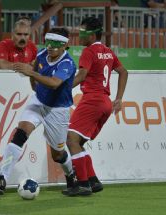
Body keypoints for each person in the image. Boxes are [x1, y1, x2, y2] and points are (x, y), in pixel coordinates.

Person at [0, 27, 77, 195]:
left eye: (55, 44)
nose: (50, 47)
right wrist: (34, 87)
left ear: (65, 45)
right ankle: (2, 178)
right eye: (48, 42)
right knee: (20, 133)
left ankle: (71, 175)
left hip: (57, 111)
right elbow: (35, 70)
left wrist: (31, 73)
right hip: (38, 102)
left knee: (57, 155)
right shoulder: (43, 53)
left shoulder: (68, 63)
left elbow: (54, 83)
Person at [63, 17, 128, 196]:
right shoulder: (107, 51)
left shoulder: (88, 51)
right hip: (105, 103)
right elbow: (123, 71)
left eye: (82, 32)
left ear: (91, 35)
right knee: (79, 142)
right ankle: (93, 181)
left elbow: (82, 74)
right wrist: (119, 98)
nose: (79, 35)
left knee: (71, 140)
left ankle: (82, 184)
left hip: (92, 100)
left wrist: (63, 89)